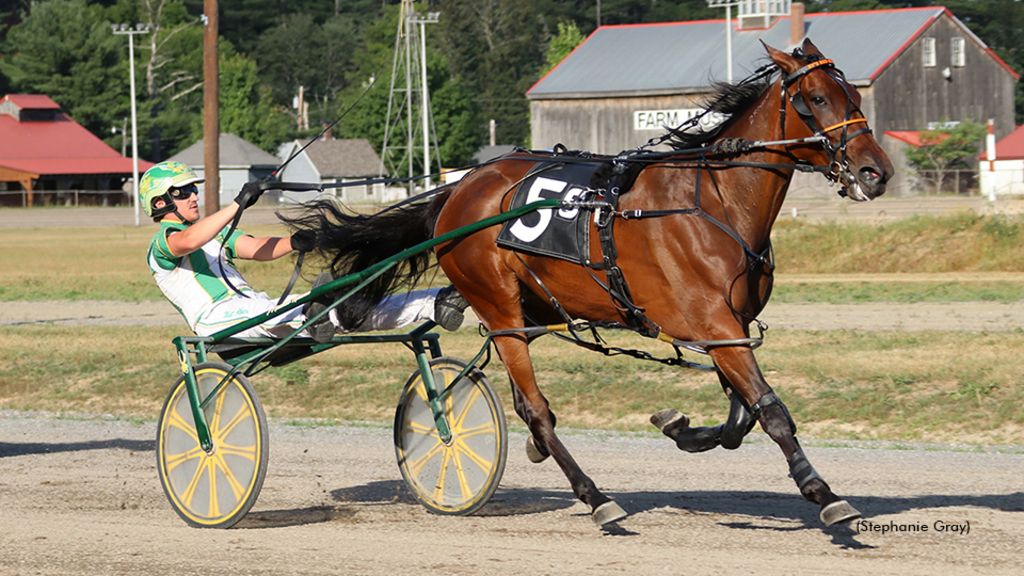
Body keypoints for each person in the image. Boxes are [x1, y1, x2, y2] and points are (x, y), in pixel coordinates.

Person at [141, 161, 468, 342]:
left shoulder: (216, 234)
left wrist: (295, 242)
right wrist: (238, 203)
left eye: (194, 189)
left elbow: (255, 248)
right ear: (160, 203)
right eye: (183, 192)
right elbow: (188, 242)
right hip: (216, 320)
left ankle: (435, 301)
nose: (193, 196)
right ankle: (313, 308)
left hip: (257, 308)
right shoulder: (162, 245)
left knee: (350, 311)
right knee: (291, 309)